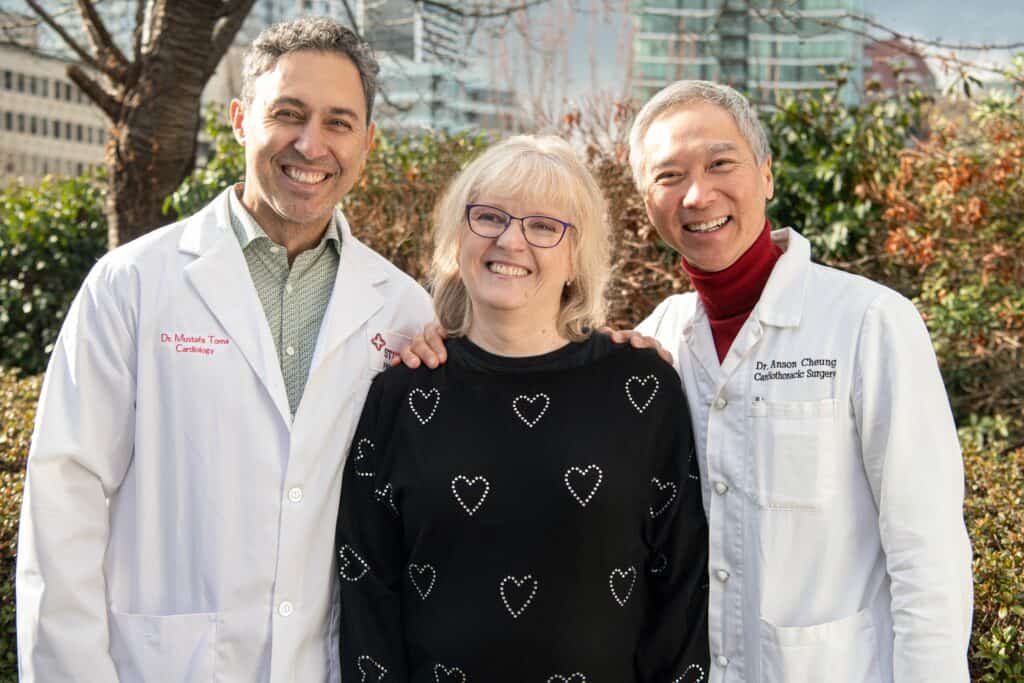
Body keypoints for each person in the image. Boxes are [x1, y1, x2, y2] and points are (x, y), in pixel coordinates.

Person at [403, 81, 974, 683]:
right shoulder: (658, 341)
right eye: (668, 176)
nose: (698, 194)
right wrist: (447, 342)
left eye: (720, 164)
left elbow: (928, 553)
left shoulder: (869, 324)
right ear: (647, 201)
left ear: (767, 175)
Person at [16, 17, 433, 682]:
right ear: (240, 119)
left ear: (368, 142)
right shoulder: (133, 284)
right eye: (287, 114)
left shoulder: (405, 308)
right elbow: (65, 501)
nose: (310, 144)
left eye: (338, 122)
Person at [334, 135, 710, 682]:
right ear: (459, 238)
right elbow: (368, 590)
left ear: (576, 258)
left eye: (542, 226)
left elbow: (679, 585)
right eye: (489, 217)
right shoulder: (403, 395)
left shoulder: (643, 390)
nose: (510, 240)